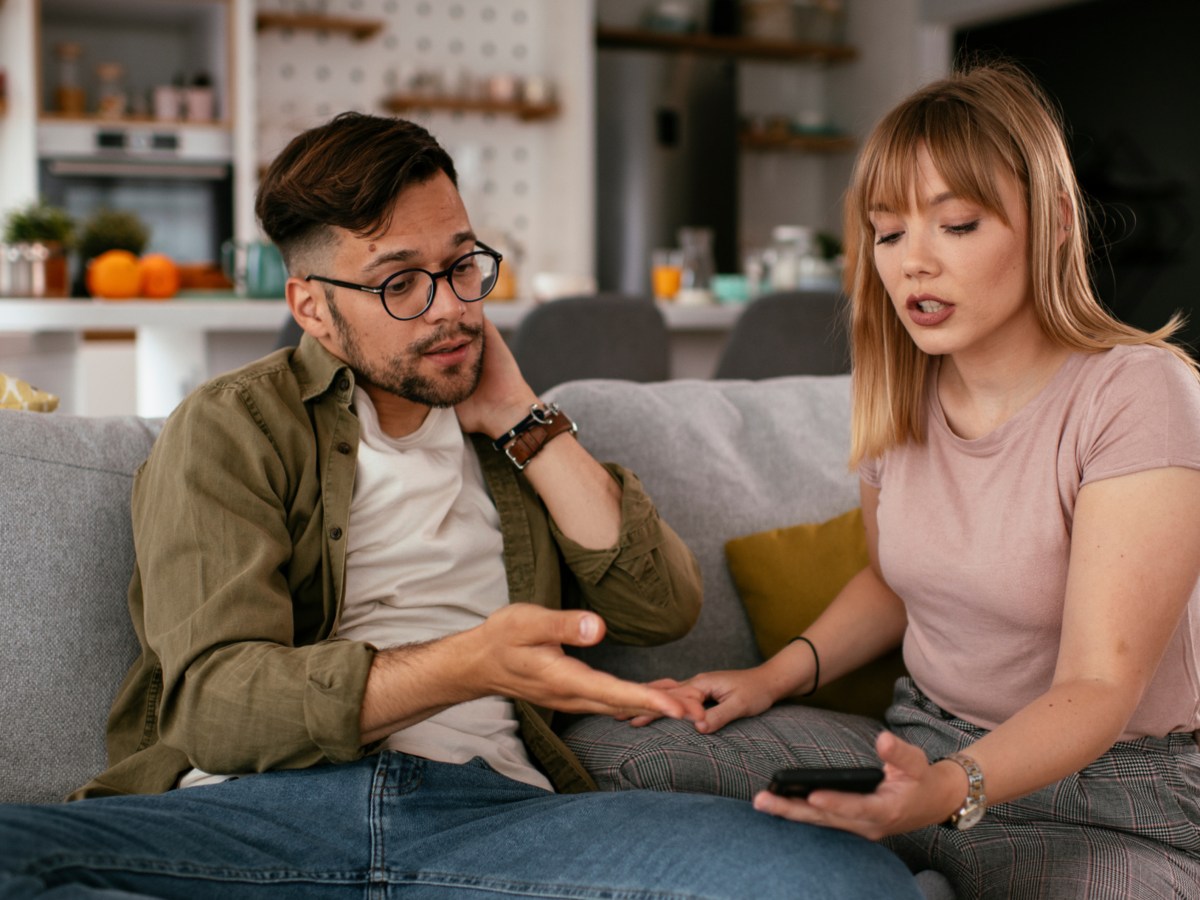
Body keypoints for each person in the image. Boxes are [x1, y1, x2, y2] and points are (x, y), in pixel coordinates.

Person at [0, 112, 922, 899]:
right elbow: (217, 708)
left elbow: (661, 604)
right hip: (261, 816)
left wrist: (527, 421)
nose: (452, 308)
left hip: (492, 819)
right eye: (400, 283)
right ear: (313, 309)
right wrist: (472, 663)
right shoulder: (234, 426)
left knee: (845, 881)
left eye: (462, 264)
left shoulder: (508, 428)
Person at [587, 62, 1200, 898]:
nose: (914, 263)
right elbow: (891, 582)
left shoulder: (1138, 392)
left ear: (1056, 223)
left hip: (1107, 790)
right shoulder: (903, 390)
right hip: (918, 745)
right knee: (622, 748)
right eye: (888, 232)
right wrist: (768, 680)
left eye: (956, 224)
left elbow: (1098, 686)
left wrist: (947, 793)